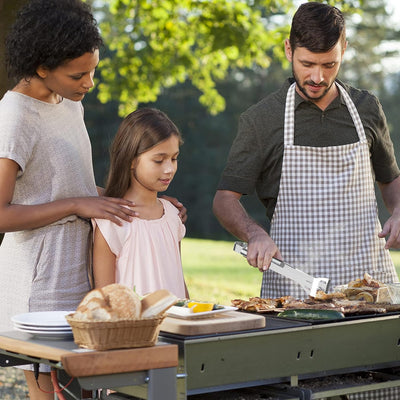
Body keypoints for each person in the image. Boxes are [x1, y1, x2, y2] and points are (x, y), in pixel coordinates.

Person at [214, 2, 400, 398]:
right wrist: (253, 233)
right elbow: (225, 199)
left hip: (369, 294)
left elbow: (391, 180)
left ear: (344, 50)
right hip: (294, 296)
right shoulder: (261, 120)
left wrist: (399, 211)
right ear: (288, 50)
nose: (317, 76)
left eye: (329, 65)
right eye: (307, 63)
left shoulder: (366, 108)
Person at [0, 1, 185, 399]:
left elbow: (76, 185)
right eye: (78, 74)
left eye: (93, 70)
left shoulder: (69, 103)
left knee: (86, 388)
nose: (89, 83)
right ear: (42, 66)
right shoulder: (14, 117)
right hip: (40, 279)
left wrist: (146, 207)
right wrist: (76, 206)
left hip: (80, 267)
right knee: (50, 388)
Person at [92, 108, 189, 299]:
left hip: (176, 327)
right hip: (132, 328)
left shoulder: (172, 215)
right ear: (131, 160)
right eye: (159, 160)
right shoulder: (112, 221)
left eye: (174, 158)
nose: (169, 168)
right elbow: (105, 298)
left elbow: (180, 283)